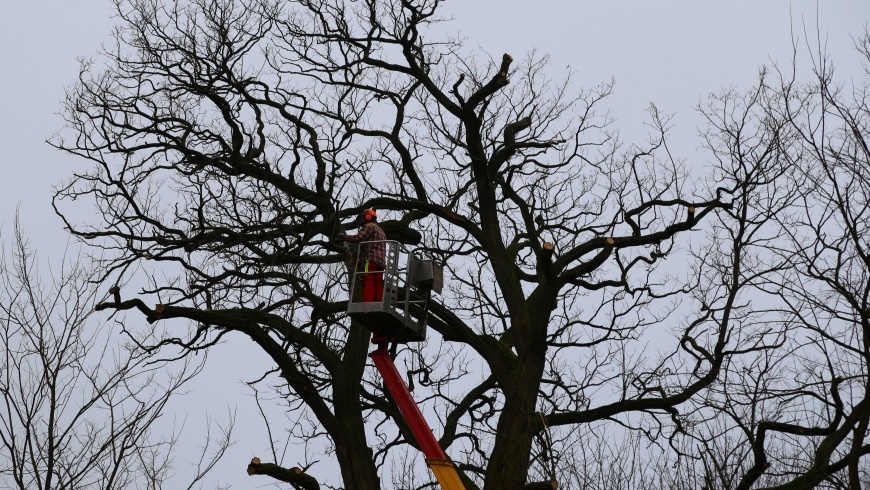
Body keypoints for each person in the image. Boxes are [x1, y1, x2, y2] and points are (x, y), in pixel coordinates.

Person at [340, 209, 386, 302]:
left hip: (370, 260)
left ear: (368, 217)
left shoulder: (369, 226)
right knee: (377, 283)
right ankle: (378, 303)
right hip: (380, 263)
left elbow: (359, 237)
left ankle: (367, 303)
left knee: (368, 280)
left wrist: (345, 237)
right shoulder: (381, 231)